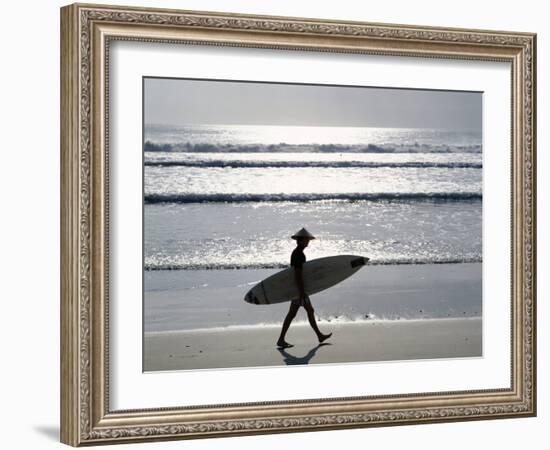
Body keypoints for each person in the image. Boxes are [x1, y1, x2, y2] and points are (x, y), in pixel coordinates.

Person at [276, 228, 332, 349]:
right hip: (299, 290)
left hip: (298, 289)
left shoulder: (297, 253)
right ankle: (318, 335)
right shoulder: (298, 255)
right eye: (306, 240)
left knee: (298, 313)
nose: (308, 242)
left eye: (308, 240)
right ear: (300, 241)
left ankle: (318, 335)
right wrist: (301, 291)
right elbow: (297, 273)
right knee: (300, 312)